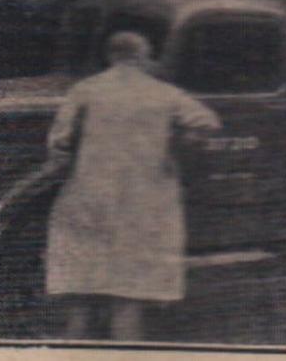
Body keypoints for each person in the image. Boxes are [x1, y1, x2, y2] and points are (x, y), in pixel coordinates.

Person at [45, 30, 221, 340]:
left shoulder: (85, 90)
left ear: (111, 56)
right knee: (127, 297)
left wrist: (73, 165)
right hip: (142, 203)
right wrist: (174, 149)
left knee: (81, 295)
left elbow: (59, 144)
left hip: (89, 200)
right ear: (143, 56)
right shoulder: (164, 94)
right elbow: (207, 122)